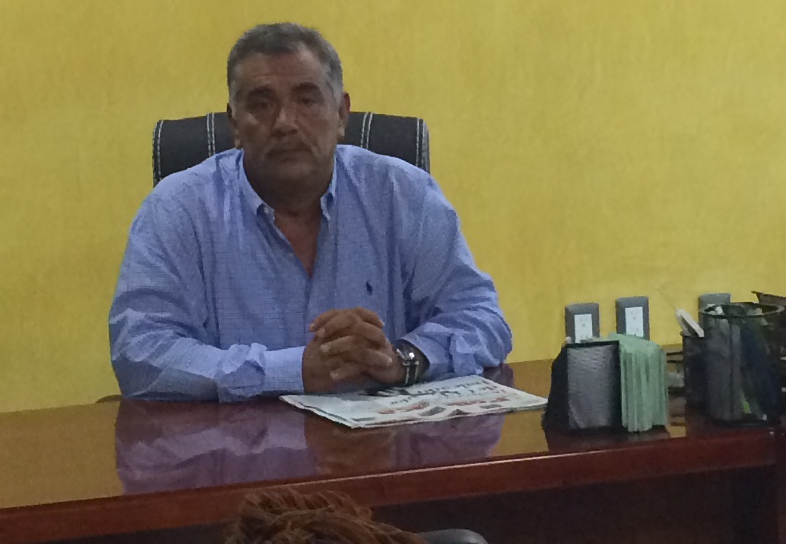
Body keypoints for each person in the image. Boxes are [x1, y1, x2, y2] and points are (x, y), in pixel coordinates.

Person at [111, 22, 512, 400]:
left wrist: (402, 359)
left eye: (306, 100)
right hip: (237, 447)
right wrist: (292, 371)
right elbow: (141, 352)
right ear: (234, 124)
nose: (285, 123)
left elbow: (481, 317)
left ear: (341, 114)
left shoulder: (402, 194)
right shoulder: (178, 209)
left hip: (385, 442)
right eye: (261, 104)